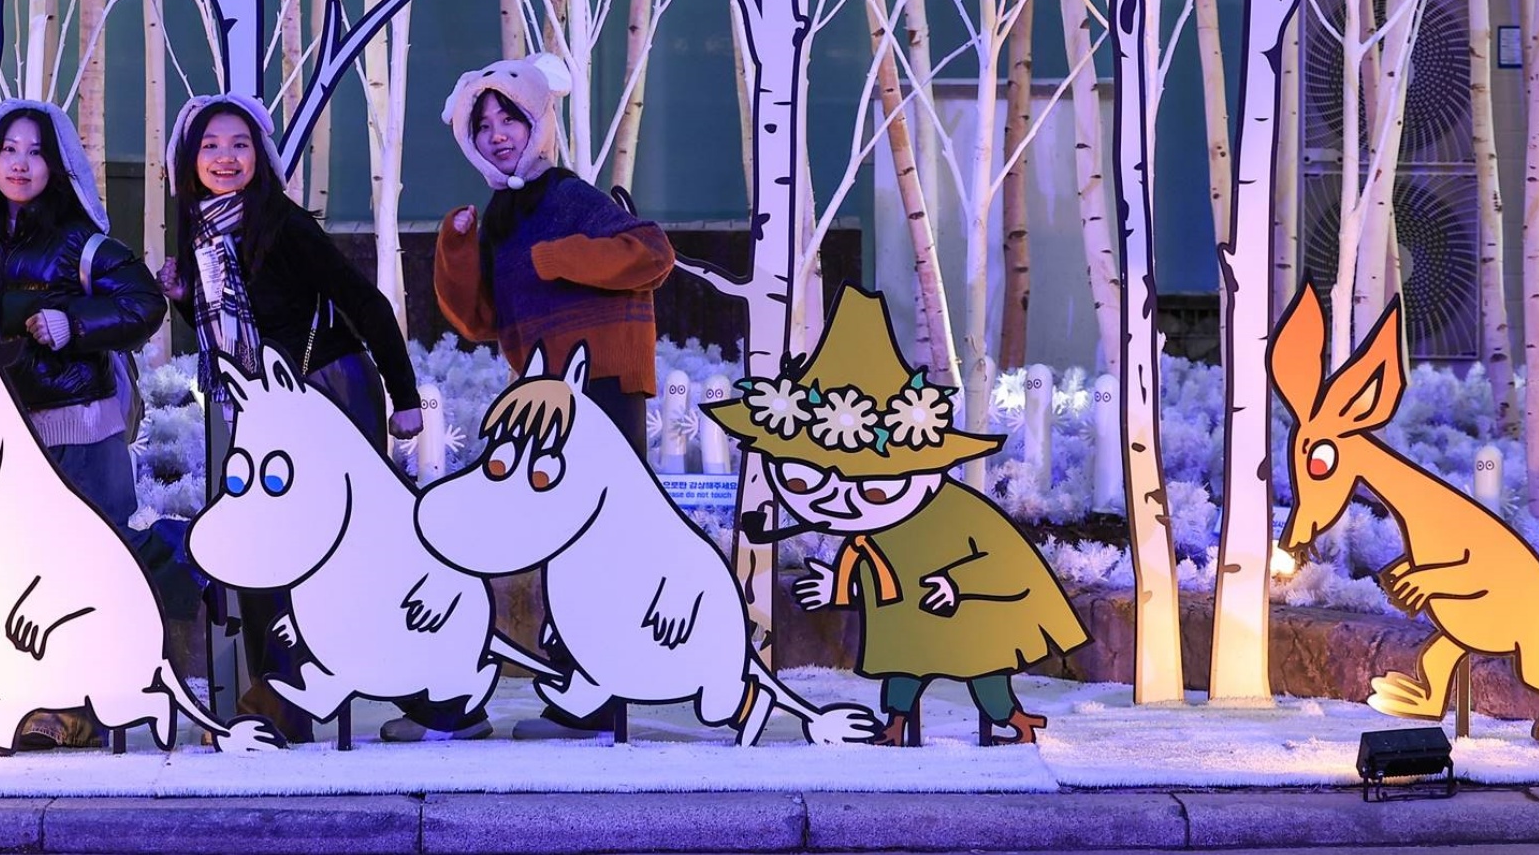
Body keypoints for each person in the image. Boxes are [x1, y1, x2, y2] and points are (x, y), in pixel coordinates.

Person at [0, 100, 164, 750]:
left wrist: (75, 325)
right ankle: (39, 702)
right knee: (23, 573)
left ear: (57, 163)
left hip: (80, 432)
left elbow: (144, 304)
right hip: (8, 440)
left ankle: (91, 706)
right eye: (8, 149)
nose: (20, 163)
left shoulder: (84, 243)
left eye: (35, 151)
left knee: (90, 569)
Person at [712, 285, 1087, 747]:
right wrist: (839, 586)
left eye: (872, 487)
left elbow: (1004, 562)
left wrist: (957, 584)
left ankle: (1014, 720)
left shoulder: (958, 514)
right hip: (907, 616)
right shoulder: (872, 529)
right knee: (901, 666)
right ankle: (895, 727)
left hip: (974, 611)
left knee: (984, 666)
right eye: (801, 483)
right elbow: (868, 566)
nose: (837, 503)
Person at [433, 54, 675, 451]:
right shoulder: (501, 217)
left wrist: (560, 258)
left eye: (509, 119)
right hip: (542, 389)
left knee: (611, 505)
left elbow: (653, 254)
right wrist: (456, 249)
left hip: (605, 382)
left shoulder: (567, 194)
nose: (497, 135)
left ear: (536, 122)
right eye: (483, 126)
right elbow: (478, 321)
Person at [165, 93, 424, 448]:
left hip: (326, 387)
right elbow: (233, 331)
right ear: (191, 158)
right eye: (210, 146)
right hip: (264, 397)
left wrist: (405, 399)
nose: (225, 157)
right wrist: (183, 298)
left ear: (259, 154)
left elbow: (365, 302)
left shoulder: (286, 225)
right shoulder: (205, 234)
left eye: (239, 144)